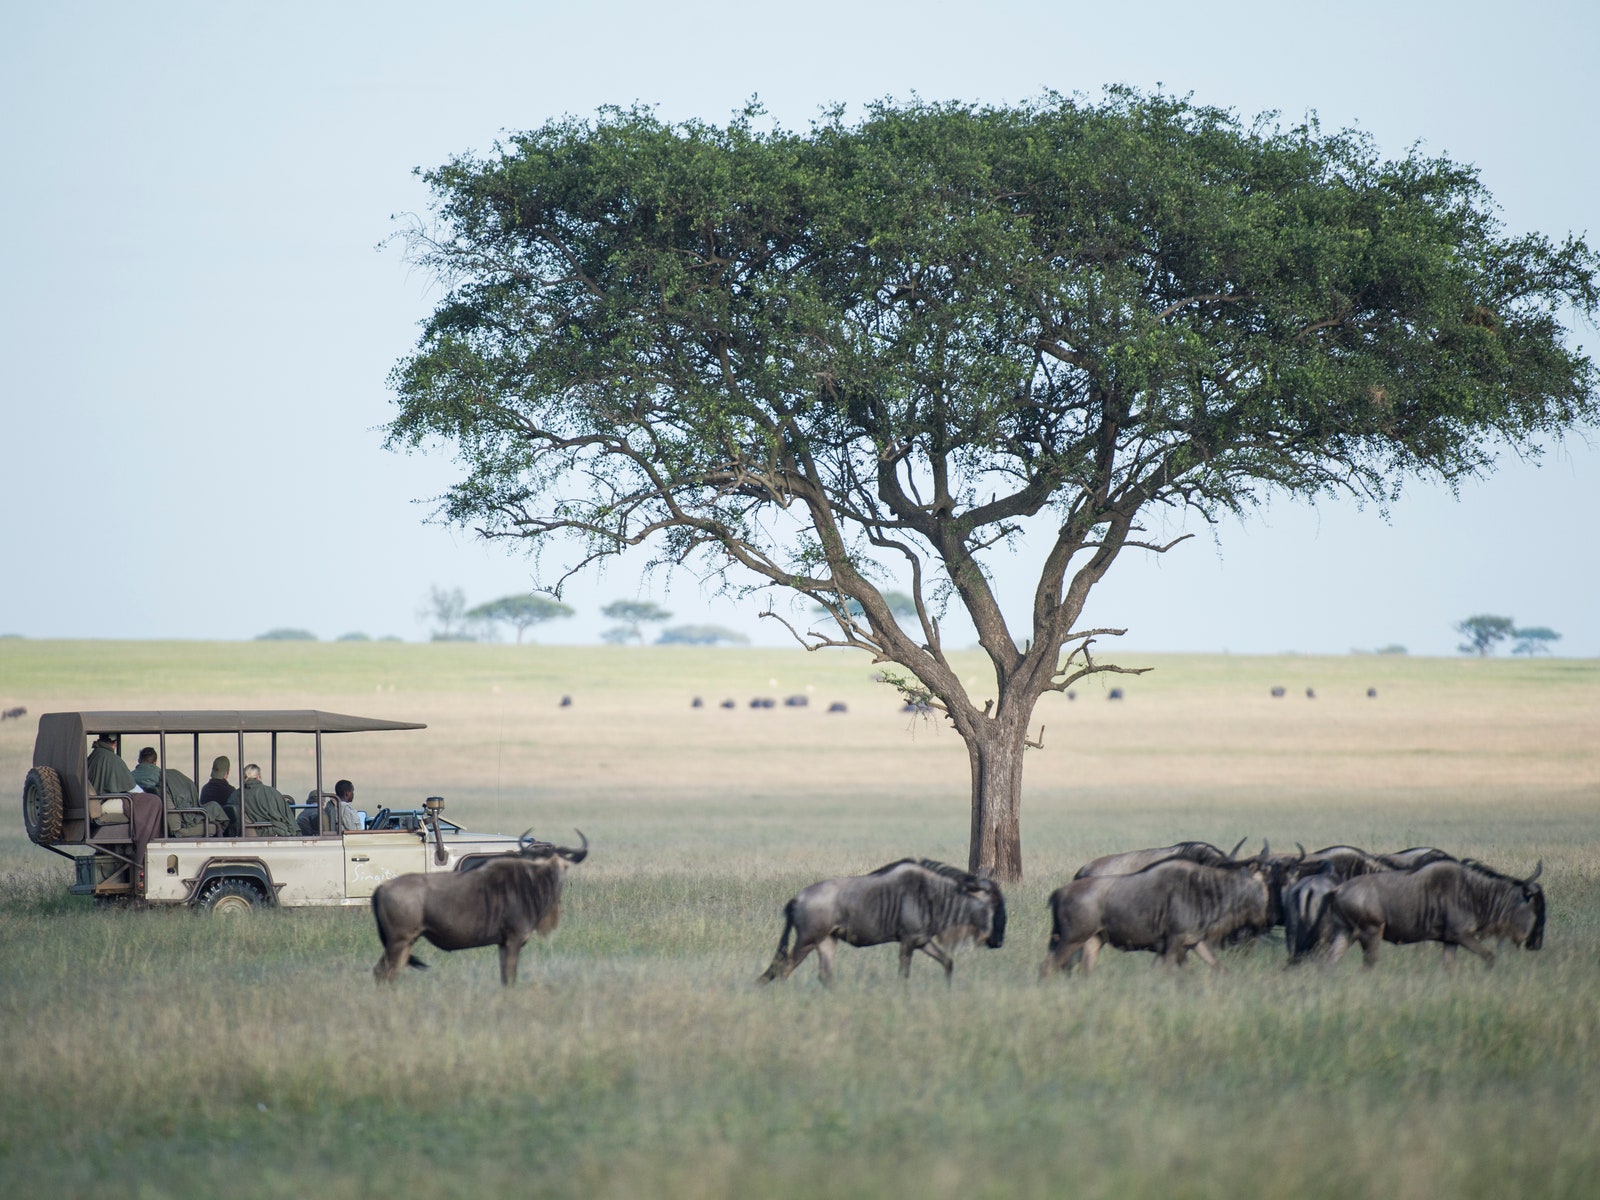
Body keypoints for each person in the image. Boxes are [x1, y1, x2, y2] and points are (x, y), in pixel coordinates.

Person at [239, 763, 297, 837]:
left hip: (242, 834)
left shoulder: (235, 795)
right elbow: (289, 819)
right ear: (258, 777)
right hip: (268, 834)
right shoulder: (272, 793)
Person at [296, 778, 362, 835]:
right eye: (352, 792)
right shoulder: (346, 808)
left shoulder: (330, 807)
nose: (353, 794)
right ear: (346, 793)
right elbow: (354, 831)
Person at [200, 756, 238, 834]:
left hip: (206, 827)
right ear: (227, 773)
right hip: (225, 831)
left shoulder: (205, 789)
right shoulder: (231, 791)